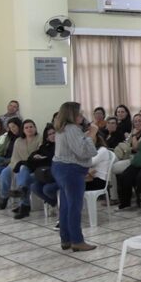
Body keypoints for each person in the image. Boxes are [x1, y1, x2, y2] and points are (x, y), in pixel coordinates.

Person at [52, 102, 99, 252]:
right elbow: (83, 152)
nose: (82, 116)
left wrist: (85, 136)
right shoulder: (72, 128)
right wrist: (92, 134)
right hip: (71, 170)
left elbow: (76, 145)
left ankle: (66, 239)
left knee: (66, 205)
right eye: (79, 113)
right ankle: (77, 241)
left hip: (62, 168)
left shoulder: (63, 128)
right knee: (74, 206)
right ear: (71, 114)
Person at [0, 119, 41, 214]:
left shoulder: (40, 138)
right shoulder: (18, 141)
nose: (29, 129)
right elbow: (15, 157)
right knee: (5, 172)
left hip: (32, 165)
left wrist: (23, 165)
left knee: (22, 172)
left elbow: (39, 155)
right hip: (17, 164)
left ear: (35, 128)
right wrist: (17, 166)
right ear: (23, 130)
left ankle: (23, 203)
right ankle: (4, 196)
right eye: (26, 128)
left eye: (31, 127)